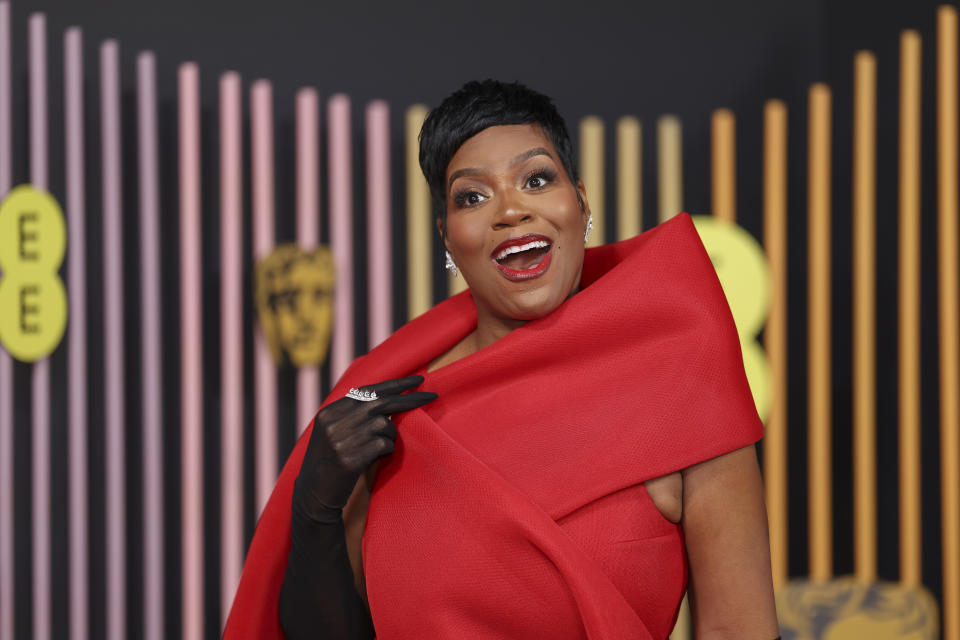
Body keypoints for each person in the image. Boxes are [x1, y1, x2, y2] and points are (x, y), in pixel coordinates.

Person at [224, 80, 780, 640]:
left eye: (536, 179)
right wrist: (315, 512)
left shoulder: (682, 378)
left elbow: (741, 629)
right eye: (472, 196)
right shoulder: (392, 409)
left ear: (581, 202)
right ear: (446, 235)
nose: (511, 210)